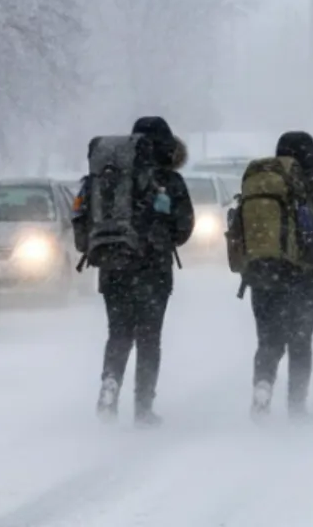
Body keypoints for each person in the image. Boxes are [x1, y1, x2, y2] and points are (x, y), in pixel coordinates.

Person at [76, 117, 194, 427]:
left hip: (112, 267)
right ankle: (142, 407)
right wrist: (160, 234)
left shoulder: (102, 179)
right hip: (153, 270)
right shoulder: (168, 181)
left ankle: (109, 384)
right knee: (149, 339)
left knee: (118, 333)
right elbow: (184, 229)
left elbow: (82, 225)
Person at [245, 131, 313, 420]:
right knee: (300, 343)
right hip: (304, 280)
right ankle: (297, 406)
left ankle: (262, 388)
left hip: (263, 277)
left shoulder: (260, 186)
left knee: (268, 342)